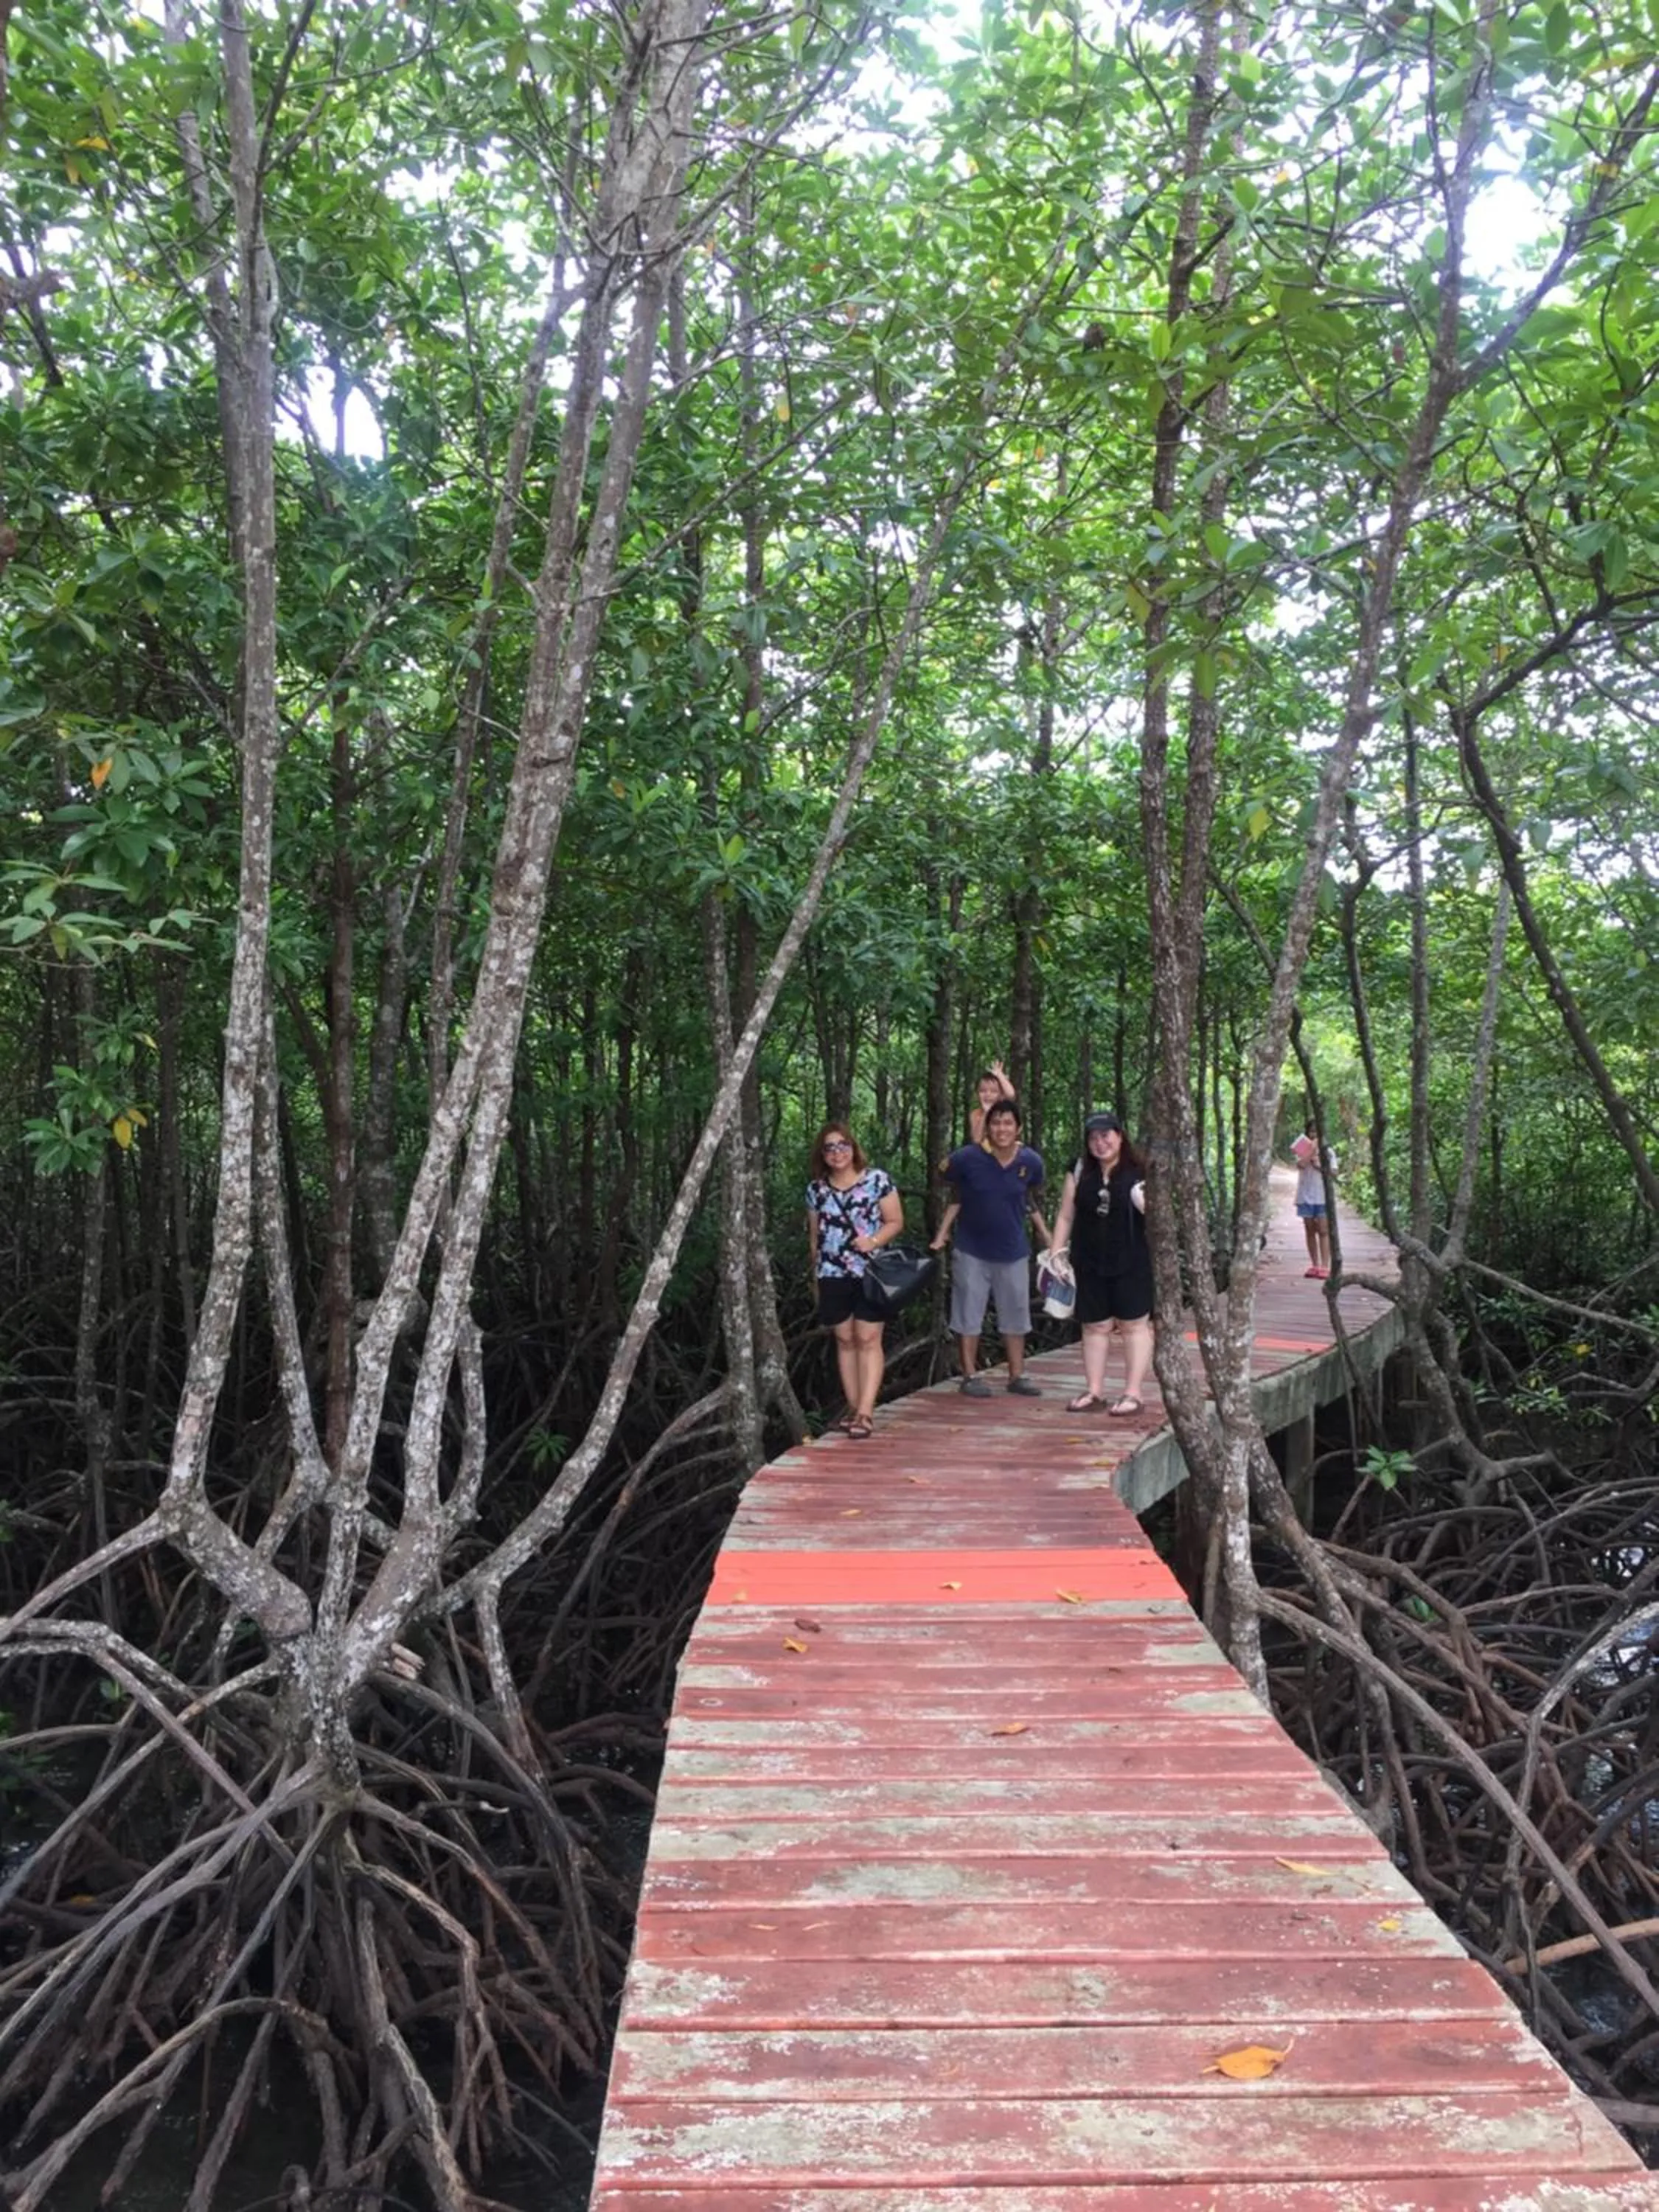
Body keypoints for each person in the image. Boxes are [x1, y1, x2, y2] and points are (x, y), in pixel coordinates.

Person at [931, 1098, 1048, 1397]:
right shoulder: (967, 1158)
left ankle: (1017, 1375)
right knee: (968, 1313)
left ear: (1018, 1128)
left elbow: (1030, 1197)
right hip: (971, 1249)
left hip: (1013, 1251)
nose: (1002, 1128)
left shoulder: (1030, 1162)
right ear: (987, 1127)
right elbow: (944, 1177)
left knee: (1016, 1314)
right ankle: (970, 1375)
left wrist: (1049, 1240)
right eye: (996, 1122)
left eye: (1008, 1122)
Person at [1048, 1111, 1154, 1416]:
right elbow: (1066, 1215)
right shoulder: (1080, 1170)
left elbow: (1159, 1218)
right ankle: (1094, 1391)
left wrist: (1145, 1203)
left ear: (1120, 1136)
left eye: (1106, 1136)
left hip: (1133, 1259)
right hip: (1089, 1259)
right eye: (1094, 1138)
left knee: (1134, 1325)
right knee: (1095, 1326)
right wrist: (1056, 1252)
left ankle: (1132, 1393)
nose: (1100, 1143)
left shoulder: (1139, 1170)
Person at [804, 1123, 904, 1440]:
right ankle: (852, 1408)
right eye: (830, 1148)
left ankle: (865, 1412)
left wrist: (873, 1241)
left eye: (842, 1145)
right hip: (833, 1273)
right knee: (845, 1339)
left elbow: (896, 1222)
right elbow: (814, 1237)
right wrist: (815, 1275)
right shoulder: (816, 1190)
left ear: (853, 1147)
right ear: (823, 1155)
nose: (837, 1152)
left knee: (868, 1338)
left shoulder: (877, 1181)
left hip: (871, 1272)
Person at [1291, 1119, 1338, 1279]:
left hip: (1323, 1196)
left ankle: (1325, 1266)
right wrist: (1311, 1151)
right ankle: (1315, 1265)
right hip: (1305, 1195)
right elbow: (1301, 1165)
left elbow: (1333, 1173)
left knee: (1323, 1231)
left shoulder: (1329, 1152)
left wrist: (1318, 1164)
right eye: (1311, 1132)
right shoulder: (1301, 1149)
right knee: (1310, 1229)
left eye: (1317, 1132)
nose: (1314, 1135)